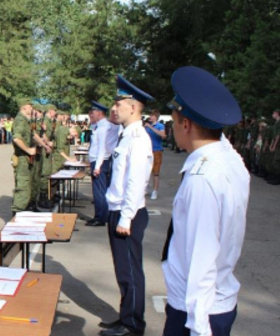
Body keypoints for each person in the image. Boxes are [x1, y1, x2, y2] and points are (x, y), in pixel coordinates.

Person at [161, 66, 249, 336]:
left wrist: (198, 328)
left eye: (174, 122)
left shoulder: (203, 178)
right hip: (213, 303)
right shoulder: (229, 159)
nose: (173, 129)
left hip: (196, 313)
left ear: (185, 124)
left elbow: (202, 256)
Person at [100, 75, 154, 336]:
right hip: (118, 210)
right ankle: (125, 316)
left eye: (118, 104)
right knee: (123, 270)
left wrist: (126, 217)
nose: (114, 108)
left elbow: (136, 181)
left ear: (132, 107)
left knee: (130, 272)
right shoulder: (125, 134)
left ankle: (133, 325)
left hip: (127, 213)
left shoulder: (138, 138)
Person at [86, 101, 112, 227]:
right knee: (100, 190)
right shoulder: (99, 126)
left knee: (99, 191)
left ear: (100, 113)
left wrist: (97, 167)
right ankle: (101, 215)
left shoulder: (103, 127)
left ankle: (100, 217)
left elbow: (102, 148)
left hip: (100, 161)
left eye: (93, 112)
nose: (91, 114)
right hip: (98, 160)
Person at [11, 98, 36, 214]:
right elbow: (16, 138)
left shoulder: (26, 120)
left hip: (26, 158)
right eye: (30, 106)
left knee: (27, 186)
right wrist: (28, 150)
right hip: (22, 158)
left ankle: (24, 211)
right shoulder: (20, 120)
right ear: (24, 107)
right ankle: (17, 213)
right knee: (23, 187)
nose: (31, 108)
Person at [144, 109, 166, 199]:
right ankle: (146, 188)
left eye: (151, 115)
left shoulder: (160, 125)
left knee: (155, 172)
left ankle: (155, 191)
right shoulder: (146, 126)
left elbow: (163, 135)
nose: (150, 117)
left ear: (155, 117)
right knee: (146, 171)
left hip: (157, 151)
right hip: (147, 151)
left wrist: (151, 127)